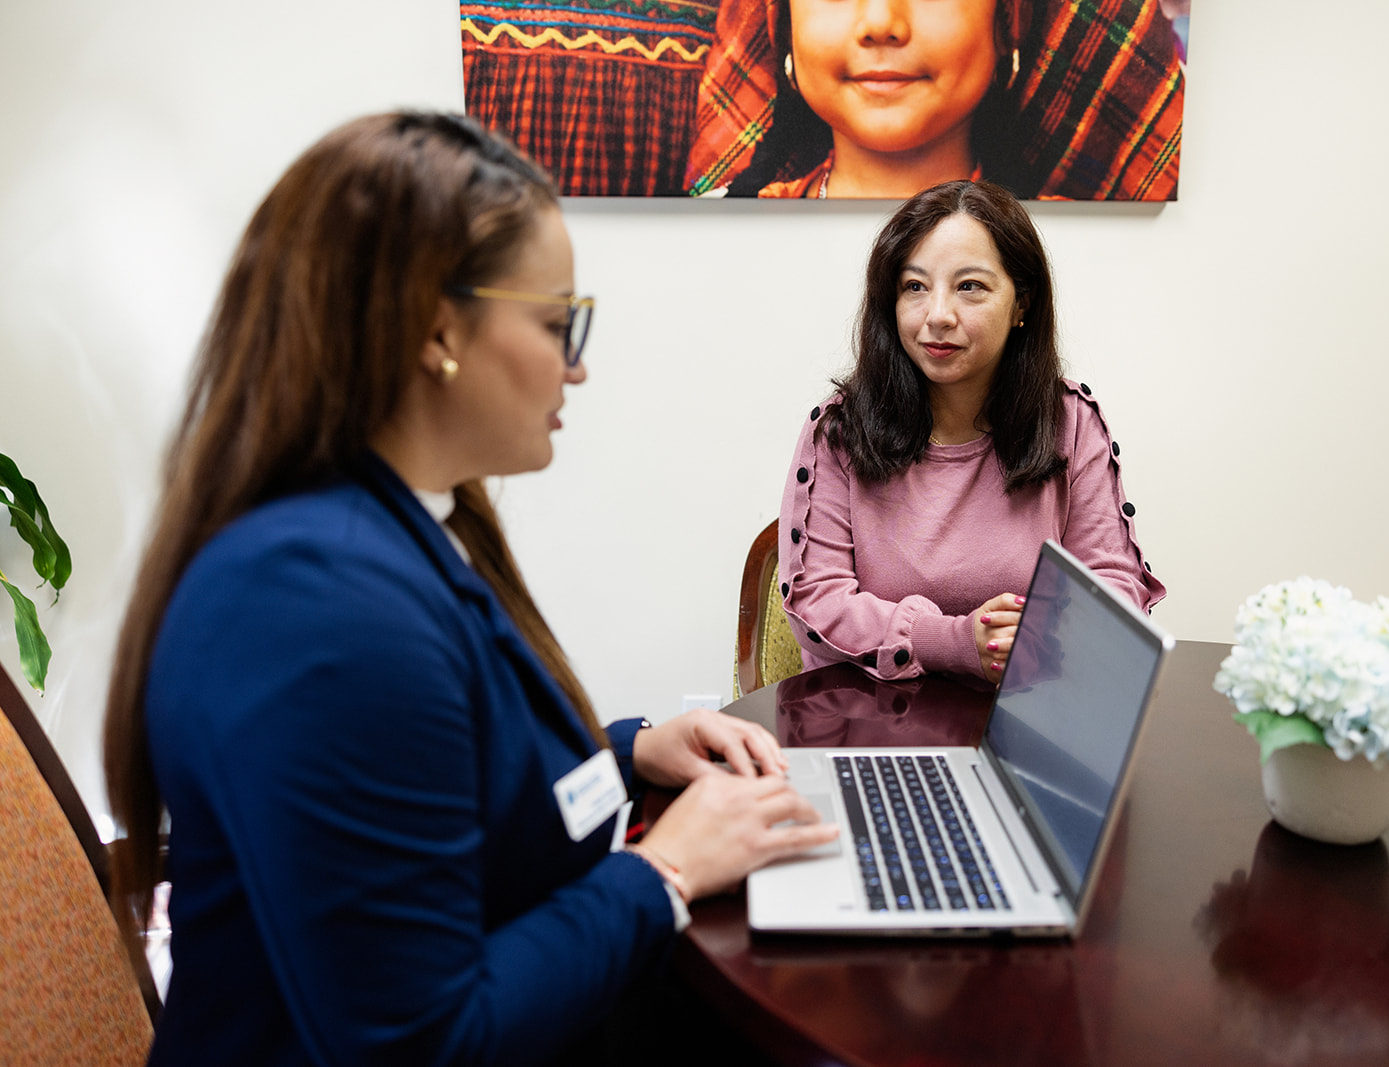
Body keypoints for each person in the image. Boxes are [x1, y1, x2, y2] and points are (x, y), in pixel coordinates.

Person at [101, 111, 835, 1065]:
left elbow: (439, 777)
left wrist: (630, 753)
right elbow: (421, 1042)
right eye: (554, 319)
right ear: (438, 327)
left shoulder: (392, 528)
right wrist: (666, 870)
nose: (576, 362)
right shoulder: (316, 606)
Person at [777, 179, 1164, 682]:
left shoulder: (1068, 420)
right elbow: (817, 600)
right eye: (914, 287)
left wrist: (1039, 629)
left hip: (1029, 707)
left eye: (970, 287)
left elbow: (1114, 585)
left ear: (1021, 303)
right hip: (868, 721)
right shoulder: (840, 431)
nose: (938, 316)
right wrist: (955, 641)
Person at [686, 0, 1184, 200]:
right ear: (783, 24)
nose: (881, 22)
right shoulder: (708, 237)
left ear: (1005, 22)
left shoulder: (1089, 257)